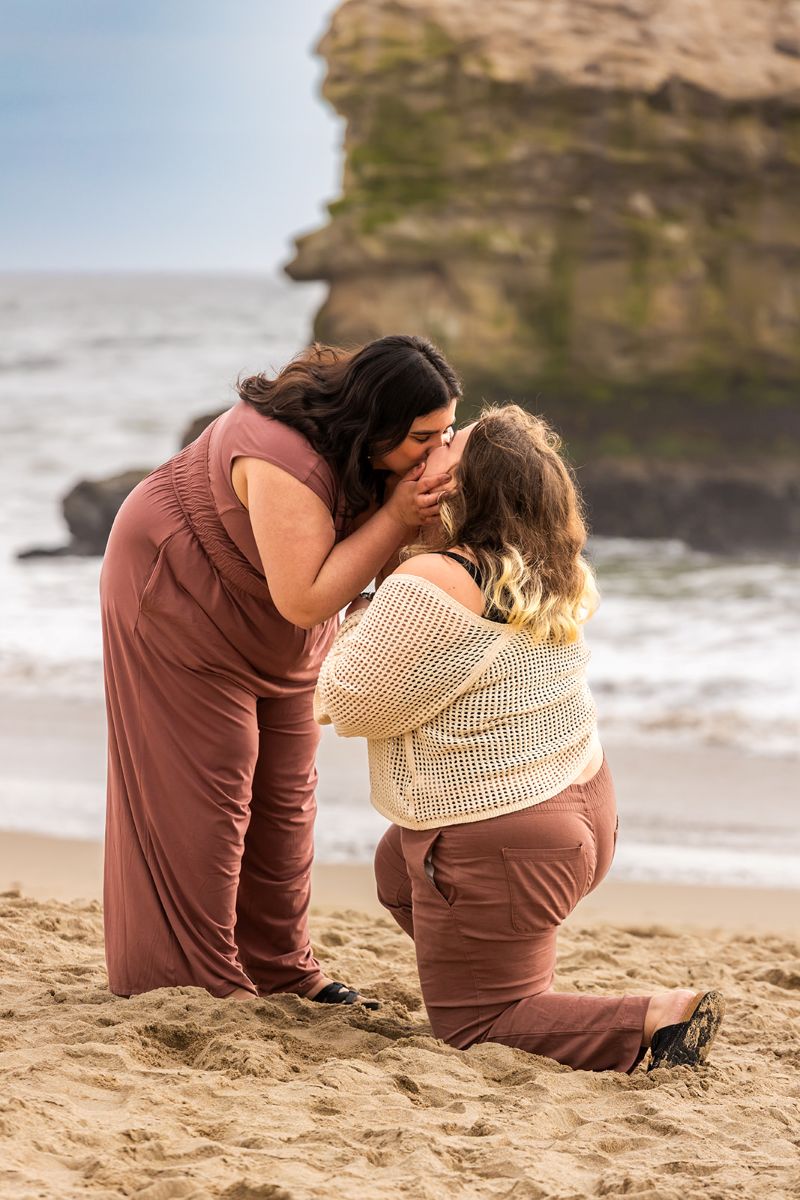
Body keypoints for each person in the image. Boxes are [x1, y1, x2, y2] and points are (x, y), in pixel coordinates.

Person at [314, 405, 725, 1071]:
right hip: (582, 806)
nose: (433, 450)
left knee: (477, 1026)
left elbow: (347, 701)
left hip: (507, 837)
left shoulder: (434, 580)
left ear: (466, 486)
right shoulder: (549, 561)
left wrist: (359, 606)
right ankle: (496, 972)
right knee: (400, 872)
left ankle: (656, 1016)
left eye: (450, 449)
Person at [100, 334, 460, 1002]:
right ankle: (193, 980)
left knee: (288, 792)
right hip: (177, 590)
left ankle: (280, 970)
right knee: (211, 786)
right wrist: (399, 514)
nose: (435, 451)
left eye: (448, 432)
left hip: (275, 622)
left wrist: (421, 514)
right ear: (373, 420)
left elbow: (374, 570)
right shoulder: (282, 453)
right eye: (421, 436)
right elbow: (307, 598)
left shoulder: (376, 456)